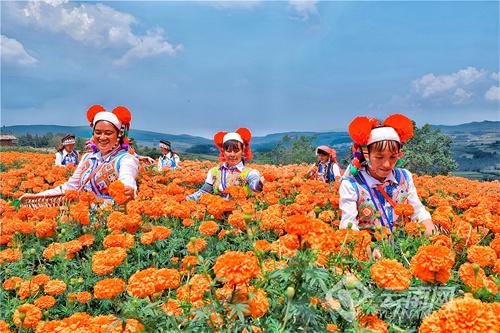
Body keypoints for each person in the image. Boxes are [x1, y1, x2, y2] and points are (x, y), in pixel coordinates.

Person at [339, 114, 435, 246]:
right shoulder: (351, 185)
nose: (387, 164)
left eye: (393, 157)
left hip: (405, 248)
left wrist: (432, 236)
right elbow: (348, 226)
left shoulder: (405, 178)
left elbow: (418, 212)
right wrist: (368, 250)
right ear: (366, 155)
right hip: (370, 255)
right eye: (379, 157)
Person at [21, 105, 139, 201]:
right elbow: (70, 187)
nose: (102, 137)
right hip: (81, 221)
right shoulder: (87, 158)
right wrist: (37, 196)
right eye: (98, 132)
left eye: (108, 133)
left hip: (107, 223)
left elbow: (127, 179)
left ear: (119, 134)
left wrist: (129, 189)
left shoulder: (126, 159)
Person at [187, 128, 265, 200]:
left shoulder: (250, 173)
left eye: (236, 150)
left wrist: (259, 184)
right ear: (223, 152)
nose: (232, 154)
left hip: (239, 213)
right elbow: (203, 192)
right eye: (228, 151)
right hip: (218, 213)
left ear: (243, 151)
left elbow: (254, 185)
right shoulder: (214, 172)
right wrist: (186, 199)